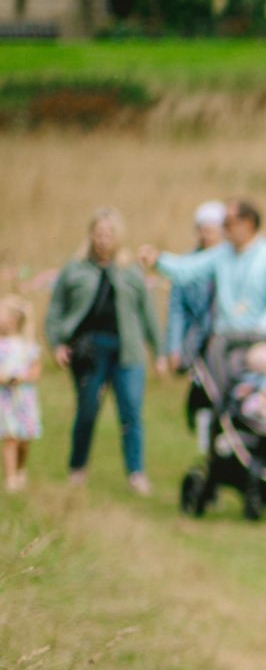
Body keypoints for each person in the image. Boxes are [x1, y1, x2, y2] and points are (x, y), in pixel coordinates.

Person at [43, 208, 161, 495]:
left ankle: (136, 474)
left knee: (131, 413)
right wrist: (57, 343)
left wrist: (159, 352)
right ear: (91, 235)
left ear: (118, 237)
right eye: (99, 233)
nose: (103, 239)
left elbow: (148, 314)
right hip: (89, 351)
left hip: (127, 352)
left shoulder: (130, 270)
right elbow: (56, 310)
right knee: (87, 411)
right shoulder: (75, 268)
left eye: (109, 234)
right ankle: (77, 469)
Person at [145, 198, 266, 344]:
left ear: (248, 224)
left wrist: (260, 328)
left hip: (263, 342)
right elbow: (186, 270)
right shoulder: (220, 254)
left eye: (228, 223)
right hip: (225, 342)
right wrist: (158, 261)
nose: (223, 228)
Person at [162, 200, 227, 369]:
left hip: (226, 338)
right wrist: (174, 347)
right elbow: (177, 308)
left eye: (212, 231)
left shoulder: (233, 262)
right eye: (203, 230)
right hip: (196, 338)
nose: (207, 236)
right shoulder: (185, 262)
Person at [0, 296, 40, 492]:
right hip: (5, 399)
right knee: (10, 437)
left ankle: (21, 469)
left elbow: (35, 370)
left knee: (24, 439)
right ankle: (11, 479)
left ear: (14, 318)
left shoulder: (27, 345)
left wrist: (22, 378)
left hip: (23, 398)